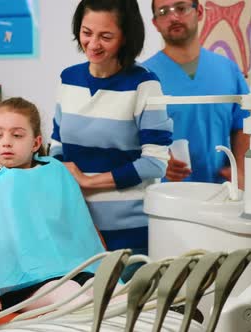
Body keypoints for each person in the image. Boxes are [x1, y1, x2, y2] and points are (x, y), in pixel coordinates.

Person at [49, 0, 172, 263]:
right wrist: (63, 174)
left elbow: (155, 163)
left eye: (106, 36)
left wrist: (89, 182)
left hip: (130, 233)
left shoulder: (144, 84)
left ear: (125, 37)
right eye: (86, 32)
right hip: (76, 226)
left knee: (124, 304)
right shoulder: (69, 79)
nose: (93, 44)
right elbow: (57, 143)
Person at [0, 97, 106, 312]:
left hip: (75, 270)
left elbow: (76, 227)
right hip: (24, 283)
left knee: (118, 298)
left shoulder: (55, 171)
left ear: (35, 143)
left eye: (16, 135)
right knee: (76, 299)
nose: (6, 141)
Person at [143, 0, 250, 186]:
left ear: (199, 12)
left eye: (181, 8)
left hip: (219, 191)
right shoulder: (143, 77)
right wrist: (155, 161)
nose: (173, 17)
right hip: (163, 197)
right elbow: (126, 136)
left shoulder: (228, 71)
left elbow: (243, 125)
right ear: (155, 23)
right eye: (163, 12)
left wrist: (241, 170)